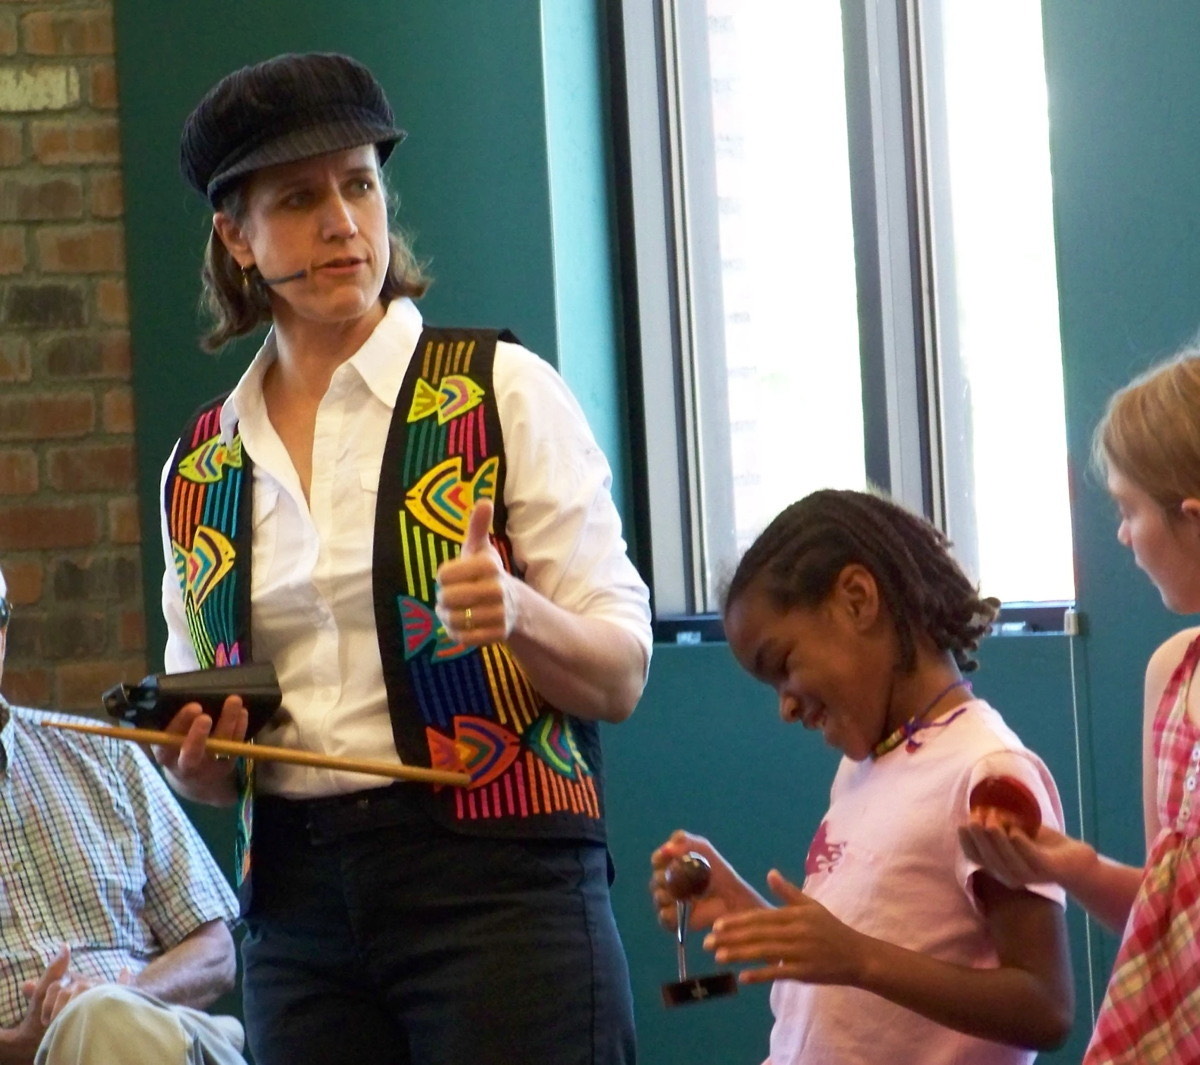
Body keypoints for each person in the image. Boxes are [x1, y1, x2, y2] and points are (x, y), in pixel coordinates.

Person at [155, 52, 652, 1065]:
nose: (343, 222)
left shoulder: (503, 390)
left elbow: (621, 675)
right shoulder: (200, 464)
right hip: (294, 909)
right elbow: (209, 759)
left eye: (360, 184)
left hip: (499, 890)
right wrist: (200, 762)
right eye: (299, 199)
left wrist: (519, 612)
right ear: (236, 236)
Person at [650, 488, 1074, 1064]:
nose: (785, 707)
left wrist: (858, 958)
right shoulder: (861, 768)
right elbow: (859, 969)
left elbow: (1045, 1007)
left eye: (784, 666)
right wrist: (753, 918)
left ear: (857, 599)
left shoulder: (985, 773)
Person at [961, 348, 1200, 1063]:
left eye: (1128, 509)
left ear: (1192, 518)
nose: (1123, 534)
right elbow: (1165, 913)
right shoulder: (1173, 676)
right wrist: (1075, 868)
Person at [0, 562, 245, 1065]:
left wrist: (123, 996)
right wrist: (17, 1046)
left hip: (161, 1030)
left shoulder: (103, 754)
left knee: (107, 1018)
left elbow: (216, 951)